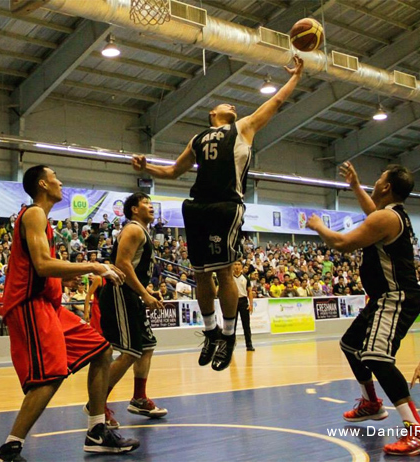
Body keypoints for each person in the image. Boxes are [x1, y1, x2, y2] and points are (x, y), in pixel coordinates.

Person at [132, 56, 303, 371]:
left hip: (226, 203)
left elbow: (277, 101)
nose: (234, 106)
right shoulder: (197, 139)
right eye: (226, 104)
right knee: (199, 273)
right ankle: (210, 332)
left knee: (224, 272)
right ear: (212, 114)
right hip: (198, 205)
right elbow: (172, 171)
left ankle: (228, 335)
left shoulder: (244, 127)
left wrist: (296, 76)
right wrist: (147, 168)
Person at [0, 165, 139, 462]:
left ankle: (97, 431)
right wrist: (92, 266)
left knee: (101, 351)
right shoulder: (33, 213)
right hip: (29, 306)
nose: (61, 181)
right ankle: (10, 449)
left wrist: (62, 278)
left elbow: (43, 269)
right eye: (55, 177)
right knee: (49, 376)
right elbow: (42, 265)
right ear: (43, 184)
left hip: (49, 305)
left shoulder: (43, 219)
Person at [306, 162, 420, 456]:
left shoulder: (387, 218)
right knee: (351, 344)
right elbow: (372, 214)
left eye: (378, 178)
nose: (374, 182)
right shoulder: (388, 216)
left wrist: (318, 226)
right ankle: (371, 403)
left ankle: (419, 432)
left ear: (387, 186)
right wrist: (355, 185)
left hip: (396, 296)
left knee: (377, 357)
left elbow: (342, 244)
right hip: (384, 297)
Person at [98, 192, 168, 424]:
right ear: (134, 210)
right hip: (120, 292)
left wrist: (148, 290)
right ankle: (96, 404)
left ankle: (139, 398)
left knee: (146, 346)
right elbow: (122, 264)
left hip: (131, 293)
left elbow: (133, 268)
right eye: (145, 203)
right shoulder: (134, 229)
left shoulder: (142, 231)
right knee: (130, 352)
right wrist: (145, 294)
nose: (151, 206)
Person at [232, 261, 254, 351]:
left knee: (246, 325)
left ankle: (249, 345)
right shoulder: (229, 277)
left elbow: (249, 291)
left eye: (239, 264)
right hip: (232, 302)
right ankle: (231, 345)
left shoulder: (245, 277)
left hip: (243, 301)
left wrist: (251, 304)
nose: (237, 266)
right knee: (232, 325)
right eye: (235, 264)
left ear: (241, 266)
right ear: (233, 266)